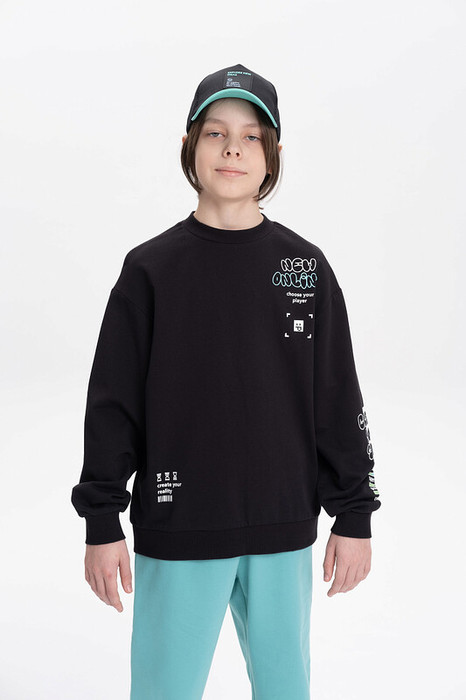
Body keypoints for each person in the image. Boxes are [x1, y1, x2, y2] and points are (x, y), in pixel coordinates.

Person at [71, 63, 381, 700]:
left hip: (283, 524)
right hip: (179, 524)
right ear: (190, 147)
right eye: (215, 133)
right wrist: (102, 521)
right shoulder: (150, 271)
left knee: (286, 688)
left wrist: (354, 514)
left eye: (251, 136)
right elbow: (112, 405)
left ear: (273, 155)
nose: (233, 149)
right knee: (163, 690)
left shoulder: (305, 267)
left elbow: (335, 397)